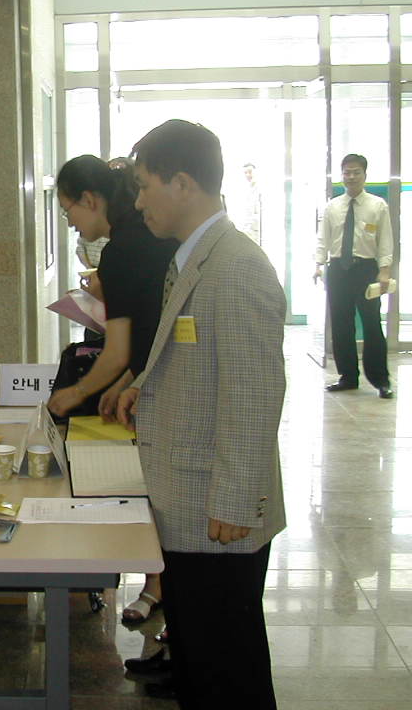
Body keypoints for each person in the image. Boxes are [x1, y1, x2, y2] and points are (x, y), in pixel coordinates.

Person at [117, 119, 286, 708]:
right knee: (199, 658)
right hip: (189, 499)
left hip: (216, 512)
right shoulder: (196, 258)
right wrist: (145, 385)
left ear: (183, 183)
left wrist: (236, 500)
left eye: (144, 186)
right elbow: (197, 350)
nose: (139, 202)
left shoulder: (236, 267)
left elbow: (254, 392)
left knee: (227, 671)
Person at [46, 154, 177, 625]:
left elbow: (118, 348)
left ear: (90, 199)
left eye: (69, 210)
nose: (70, 222)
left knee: (161, 496)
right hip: (156, 374)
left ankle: (161, 587)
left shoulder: (123, 249)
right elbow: (147, 331)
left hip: (170, 389)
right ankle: (161, 590)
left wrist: (74, 393)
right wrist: (124, 382)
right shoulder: (140, 237)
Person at [314, 153, 394, 398]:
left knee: (372, 325)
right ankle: (348, 377)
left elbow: (385, 241)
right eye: (347, 172)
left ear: (364, 175)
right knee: (341, 325)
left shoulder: (377, 205)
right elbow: (323, 238)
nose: (351, 177)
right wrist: (318, 264)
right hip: (338, 270)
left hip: (366, 270)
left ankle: (381, 380)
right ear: (342, 176)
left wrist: (384, 271)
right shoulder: (332, 206)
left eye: (356, 172)